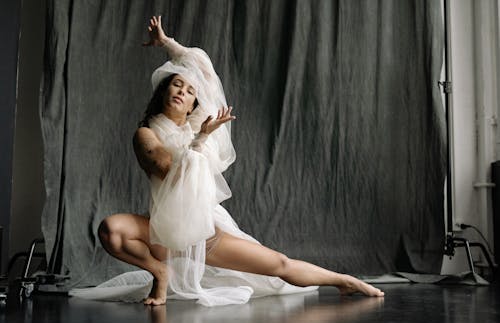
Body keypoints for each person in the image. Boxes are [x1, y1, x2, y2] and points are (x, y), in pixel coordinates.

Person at [71, 16, 384, 306]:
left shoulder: (199, 127)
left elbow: (204, 70)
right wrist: (198, 141)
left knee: (279, 265)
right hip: (164, 230)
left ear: (196, 102)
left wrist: (168, 44)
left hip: (204, 230)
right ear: (165, 90)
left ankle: (343, 280)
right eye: (176, 84)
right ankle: (160, 274)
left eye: (190, 90)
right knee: (111, 230)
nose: (182, 90)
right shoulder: (147, 133)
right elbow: (167, 171)